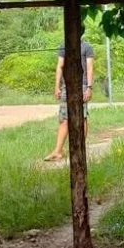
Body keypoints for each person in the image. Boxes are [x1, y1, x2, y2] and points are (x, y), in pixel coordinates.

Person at [44, 31, 95, 162]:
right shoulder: (63, 46)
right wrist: (57, 86)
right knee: (63, 119)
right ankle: (58, 151)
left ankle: (80, 149)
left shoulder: (87, 47)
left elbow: (89, 68)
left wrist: (89, 87)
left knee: (81, 117)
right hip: (66, 86)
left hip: (82, 86)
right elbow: (60, 66)